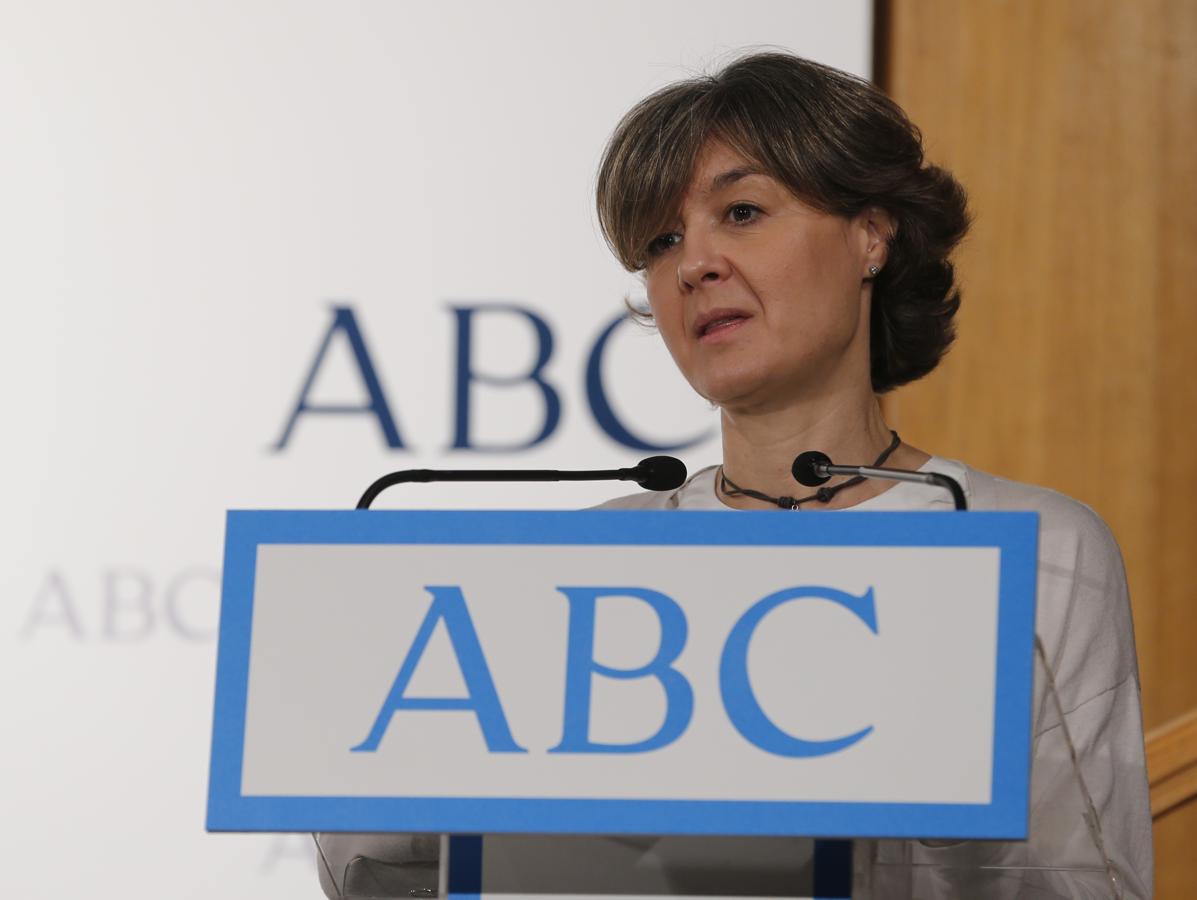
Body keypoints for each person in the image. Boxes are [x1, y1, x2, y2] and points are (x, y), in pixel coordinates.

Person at [318, 51, 1153, 899]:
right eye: (662, 241)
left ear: (871, 234)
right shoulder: (583, 561)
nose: (692, 265)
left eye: (742, 211)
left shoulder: (1028, 547)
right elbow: (379, 869)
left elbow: (1086, 880)